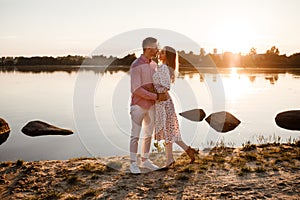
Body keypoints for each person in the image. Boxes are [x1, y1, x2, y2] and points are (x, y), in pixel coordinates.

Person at [153, 46, 199, 168]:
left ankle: (170, 160)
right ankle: (188, 151)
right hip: (163, 102)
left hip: (163, 102)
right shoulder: (166, 68)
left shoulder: (163, 68)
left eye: (162, 52)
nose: (159, 54)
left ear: (167, 56)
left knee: (168, 131)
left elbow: (165, 86)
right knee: (170, 131)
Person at [129, 37, 169, 174]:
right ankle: (133, 163)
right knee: (135, 135)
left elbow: (156, 84)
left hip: (152, 105)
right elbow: (136, 89)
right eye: (155, 47)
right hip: (138, 106)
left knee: (148, 135)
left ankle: (145, 161)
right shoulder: (136, 65)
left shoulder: (154, 65)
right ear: (148, 48)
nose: (157, 50)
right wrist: (157, 96)